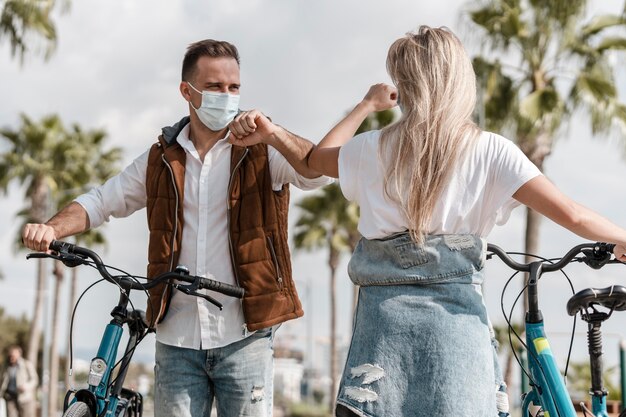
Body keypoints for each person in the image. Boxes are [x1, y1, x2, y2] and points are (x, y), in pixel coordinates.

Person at [302, 26, 626, 417]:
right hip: (455, 327)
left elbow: (316, 159)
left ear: (404, 86)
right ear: (460, 80)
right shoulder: (490, 150)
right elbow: (573, 214)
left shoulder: (370, 148)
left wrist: (367, 105)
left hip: (383, 326)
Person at [22, 39, 330, 417]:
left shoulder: (260, 151)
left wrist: (272, 132)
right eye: (215, 87)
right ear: (188, 91)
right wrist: (52, 229)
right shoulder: (161, 159)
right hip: (176, 339)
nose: (228, 96)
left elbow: (316, 172)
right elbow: (102, 201)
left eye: (234, 88)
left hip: (245, 335)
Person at [0, 346, 38, 417]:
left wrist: (26, 386)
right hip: (10, 397)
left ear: (19, 355)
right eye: (10, 355)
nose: (11, 357)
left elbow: (34, 379)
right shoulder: (6, 366)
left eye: (13, 355)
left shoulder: (26, 364)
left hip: (24, 397)